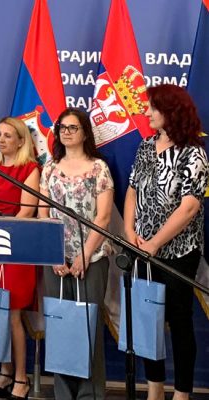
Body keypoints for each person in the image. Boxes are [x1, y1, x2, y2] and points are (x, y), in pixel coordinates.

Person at [123, 84, 209, 400]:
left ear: (171, 111)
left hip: (178, 253)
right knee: (148, 321)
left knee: (179, 321)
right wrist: (130, 233)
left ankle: (182, 393)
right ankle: (155, 390)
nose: (146, 112)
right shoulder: (146, 146)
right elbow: (132, 190)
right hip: (141, 249)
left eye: (153, 107)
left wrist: (155, 243)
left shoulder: (194, 153)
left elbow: (189, 207)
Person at [39, 108, 114, 400]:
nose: (67, 132)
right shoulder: (49, 167)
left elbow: (103, 217)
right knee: (60, 326)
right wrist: (54, 253)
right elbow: (42, 213)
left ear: (85, 133)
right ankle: (63, 393)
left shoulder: (99, 168)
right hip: (56, 259)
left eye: (73, 127)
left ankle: (89, 394)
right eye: (62, 127)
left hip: (92, 258)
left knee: (87, 326)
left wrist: (84, 254)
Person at [0, 117, 40, 399]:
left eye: (8, 135)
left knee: (13, 313)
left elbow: (26, 212)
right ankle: (5, 370)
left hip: (14, 247)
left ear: (20, 140)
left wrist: (0, 235)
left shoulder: (29, 169)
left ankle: (21, 377)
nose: (1, 140)